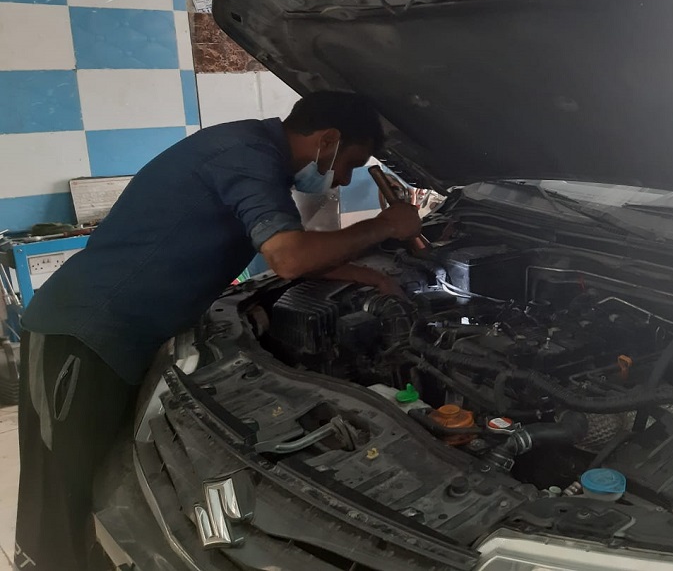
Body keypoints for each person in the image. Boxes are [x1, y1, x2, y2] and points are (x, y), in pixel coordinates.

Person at [14, 91, 422, 570]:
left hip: (125, 335)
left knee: (104, 469)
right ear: (328, 140)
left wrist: (367, 275)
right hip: (82, 333)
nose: (345, 178)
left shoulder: (257, 154)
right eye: (350, 164)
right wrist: (383, 226)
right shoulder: (245, 155)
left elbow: (289, 251)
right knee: (59, 488)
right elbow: (288, 257)